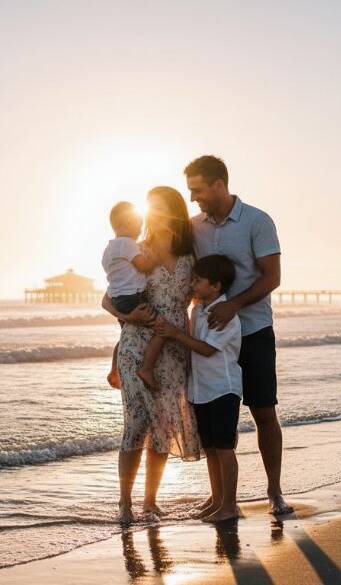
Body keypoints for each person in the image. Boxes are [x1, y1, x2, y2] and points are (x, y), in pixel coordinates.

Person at [185, 155, 294, 515]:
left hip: (254, 330)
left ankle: (274, 491)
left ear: (219, 184)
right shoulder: (194, 226)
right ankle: (222, 497)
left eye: (198, 190)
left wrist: (234, 305)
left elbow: (271, 277)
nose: (194, 198)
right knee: (219, 417)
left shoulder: (257, 221)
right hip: (212, 336)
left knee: (264, 413)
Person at [102, 186, 201, 523]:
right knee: (136, 424)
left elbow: (204, 292)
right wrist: (128, 316)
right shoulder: (138, 250)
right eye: (152, 210)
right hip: (135, 343)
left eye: (163, 209)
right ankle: (125, 503)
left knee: (163, 423)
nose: (156, 216)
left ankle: (150, 501)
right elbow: (108, 297)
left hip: (172, 346)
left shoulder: (191, 256)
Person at [155, 254, 243, 523]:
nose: (192, 284)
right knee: (212, 449)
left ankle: (230, 504)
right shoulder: (199, 309)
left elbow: (205, 349)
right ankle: (217, 501)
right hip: (202, 389)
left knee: (225, 447)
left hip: (223, 388)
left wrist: (174, 332)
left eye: (197, 281)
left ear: (215, 286)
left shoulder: (225, 315)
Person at [102, 202, 163, 390]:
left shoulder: (108, 249)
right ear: (127, 223)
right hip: (134, 298)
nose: (141, 229)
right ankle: (147, 368)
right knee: (162, 329)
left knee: (126, 332)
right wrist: (157, 256)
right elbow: (143, 266)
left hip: (118, 299)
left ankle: (114, 368)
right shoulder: (127, 245)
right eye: (139, 224)